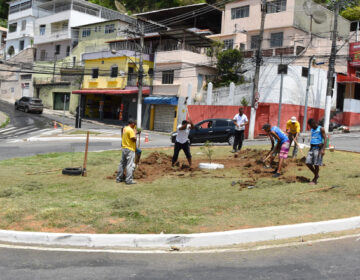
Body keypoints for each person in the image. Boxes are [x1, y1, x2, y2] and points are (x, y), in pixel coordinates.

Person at [116, 119, 137, 185]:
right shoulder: (131, 130)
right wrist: (135, 133)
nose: (135, 126)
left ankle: (119, 178)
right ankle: (128, 180)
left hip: (124, 148)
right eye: (135, 124)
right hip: (130, 149)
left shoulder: (125, 128)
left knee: (122, 163)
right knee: (129, 164)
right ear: (132, 123)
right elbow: (134, 139)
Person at [306, 119, 326, 185]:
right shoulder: (312, 130)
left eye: (311, 125)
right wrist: (310, 149)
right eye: (310, 125)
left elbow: (325, 138)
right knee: (308, 163)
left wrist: (323, 149)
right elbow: (313, 138)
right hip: (312, 148)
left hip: (318, 148)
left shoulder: (321, 129)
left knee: (316, 164)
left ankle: (315, 180)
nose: (310, 127)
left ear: (314, 123)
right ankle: (316, 174)